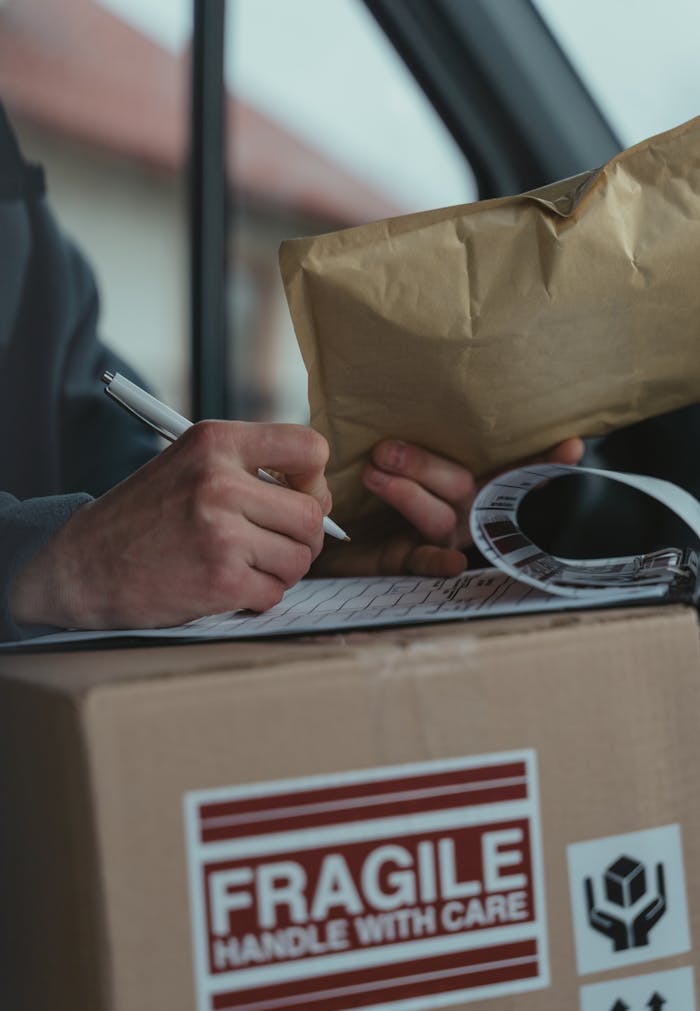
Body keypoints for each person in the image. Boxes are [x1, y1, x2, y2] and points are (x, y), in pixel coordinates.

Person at [0, 102, 584, 642]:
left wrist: (288, 537)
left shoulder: (24, 220)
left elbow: (90, 452)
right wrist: (60, 565)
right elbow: (90, 536)